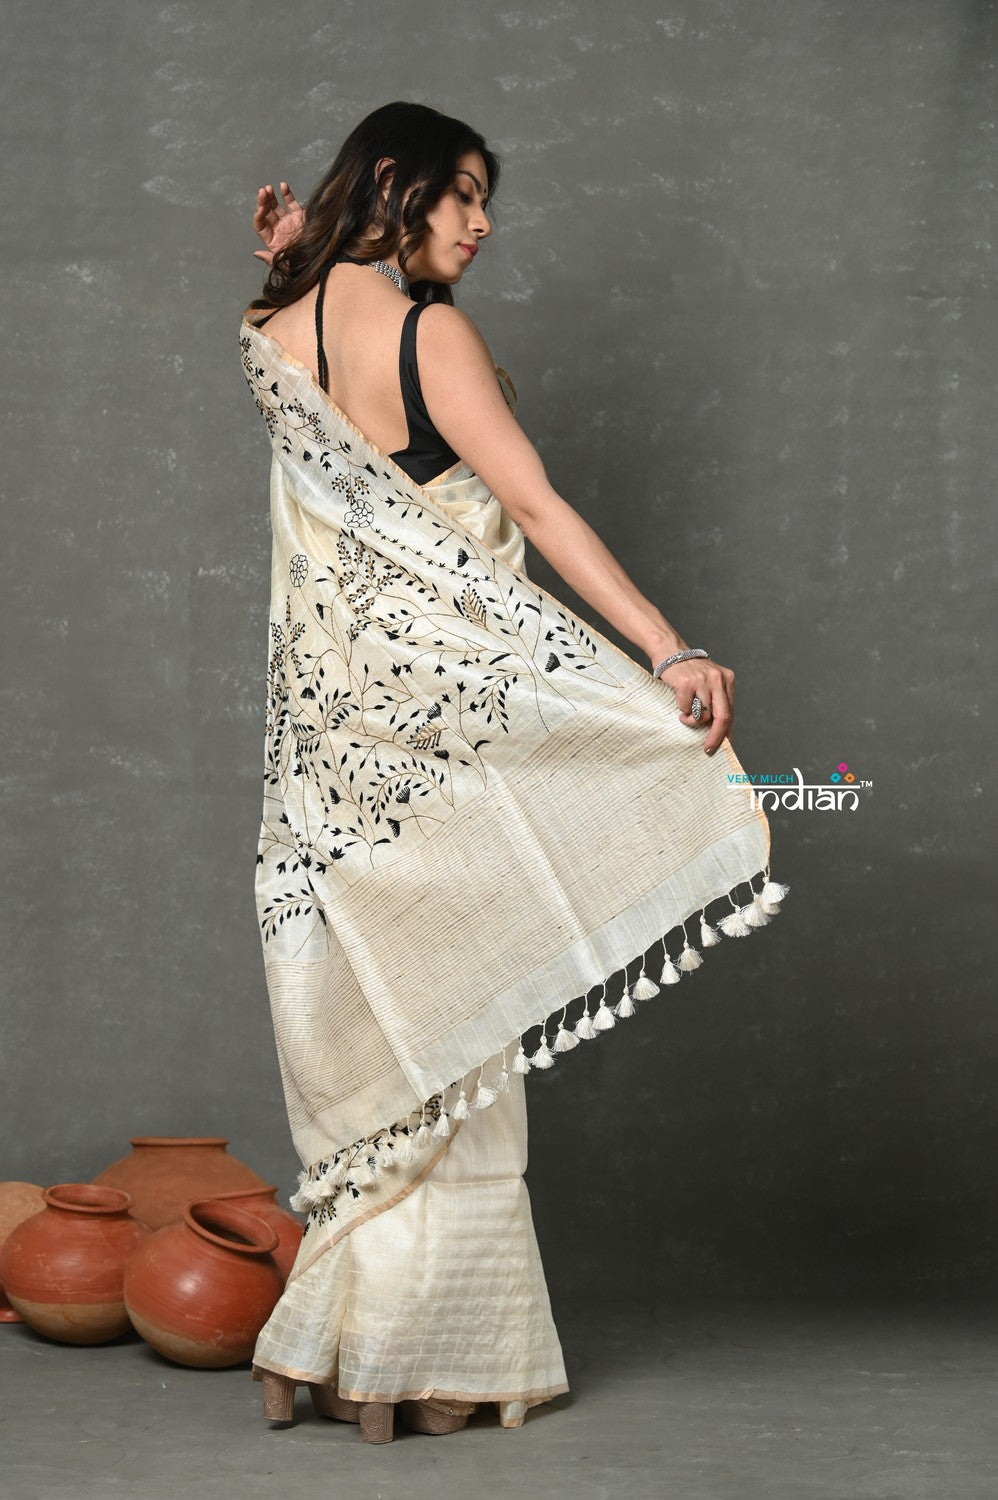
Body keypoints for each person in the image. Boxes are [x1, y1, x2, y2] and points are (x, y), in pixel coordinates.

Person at [240, 101, 782, 1446]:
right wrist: (667, 646)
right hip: (443, 751)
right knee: (461, 1015)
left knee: (394, 1018)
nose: (481, 224)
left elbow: (332, 407)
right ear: (395, 182)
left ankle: (339, 1348)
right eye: (464, 193)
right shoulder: (427, 334)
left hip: (335, 760)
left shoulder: (270, 331)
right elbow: (531, 503)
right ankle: (429, 1360)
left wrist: (299, 258)